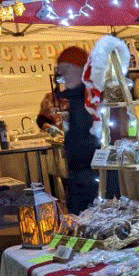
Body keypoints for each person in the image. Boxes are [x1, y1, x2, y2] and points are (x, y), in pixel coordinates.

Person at [54, 46, 100, 214]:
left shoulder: (90, 98)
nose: (63, 75)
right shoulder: (74, 98)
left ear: (80, 69)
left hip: (91, 177)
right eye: (60, 70)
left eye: (66, 69)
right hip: (79, 176)